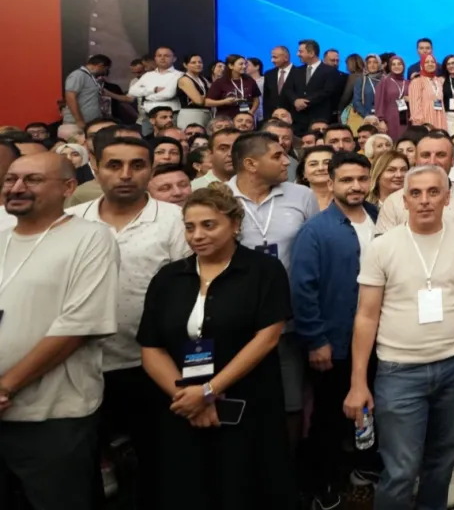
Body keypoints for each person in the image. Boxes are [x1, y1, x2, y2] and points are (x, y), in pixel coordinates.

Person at [136, 183, 294, 508]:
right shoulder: (168, 278)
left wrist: (209, 391)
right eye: (190, 227)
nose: (197, 235)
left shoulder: (263, 271)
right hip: (181, 406)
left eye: (209, 225)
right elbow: (151, 348)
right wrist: (188, 397)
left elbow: (267, 338)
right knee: (188, 489)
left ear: (234, 224)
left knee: (244, 487)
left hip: (247, 402)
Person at [343, 165, 454, 509]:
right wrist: (358, 381)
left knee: (443, 459)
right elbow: (366, 316)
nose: (425, 200)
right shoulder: (383, 246)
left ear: (447, 198)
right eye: (416, 193)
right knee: (401, 469)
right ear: (404, 200)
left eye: (433, 192)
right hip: (400, 370)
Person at [65, 136, 187, 509]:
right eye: (114, 165)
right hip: (83, 362)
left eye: (137, 165)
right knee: (87, 464)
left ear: (150, 170)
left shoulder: (174, 219)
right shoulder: (72, 220)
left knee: (156, 460)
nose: (125, 174)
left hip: (151, 362)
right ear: (95, 167)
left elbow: (189, 291)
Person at [0, 152, 118, 509]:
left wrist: (6, 386)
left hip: (53, 417)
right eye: (11, 179)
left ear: (68, 187)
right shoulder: (1, 238)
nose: (17, 187)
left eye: (33, 180)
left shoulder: (91, 238)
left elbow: (79, 326)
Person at [290, 152, 379, 508]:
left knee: (370, 408)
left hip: (379, 337)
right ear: (331, 182)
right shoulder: (316, 230)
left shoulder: (379, 218)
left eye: (361, 178)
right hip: (335, 340)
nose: (356, 186)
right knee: (328, 416)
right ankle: (321, 483)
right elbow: (302, 289)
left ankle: (364, 465)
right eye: (346, 180)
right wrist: (316, 340)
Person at [226, 132, 319, 441]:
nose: (286, 161)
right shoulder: (220, 197)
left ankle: (291, 465)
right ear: (251, 164)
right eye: (277, 156)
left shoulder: (302, 196)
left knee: (292, 402)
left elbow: (315, 253)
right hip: (239, 322)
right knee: (244, 402)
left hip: (290, 319)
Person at [284, 40, 342, 136]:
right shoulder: (296, 71)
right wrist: (295, 101)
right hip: (298, 119)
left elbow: (328, 91)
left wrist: (306, 102)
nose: (298, 54)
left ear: (311, 53)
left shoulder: (330, 71)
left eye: (301, 51)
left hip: (319, 118)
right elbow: (288, 89)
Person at [206, 54, 261, 121]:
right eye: (241, 64)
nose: (244, 66)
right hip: (226, 119)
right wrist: (224, 101)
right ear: (231, 66)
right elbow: (207, 102)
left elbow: (256, 100)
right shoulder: (220, 82)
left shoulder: (250, 80)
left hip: (245, 119)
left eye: (245, 64)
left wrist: (251, 111)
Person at [408, 54, 446, 130]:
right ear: (422, 65)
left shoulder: (439, 81)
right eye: (427, 62)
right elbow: (415, 106)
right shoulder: (417, 81)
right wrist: (420, 124)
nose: (430, 64)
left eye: (432, 62)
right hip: (425, 122)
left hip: (440, 119)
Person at [297, 145, 335, 210]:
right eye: (313, 164)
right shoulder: (295, 201)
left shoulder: (348, 198)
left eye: (327, 163)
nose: (321, 168)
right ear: (303, 173)